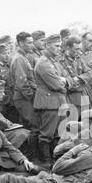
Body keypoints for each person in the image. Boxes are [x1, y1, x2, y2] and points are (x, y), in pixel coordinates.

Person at [33, 34, 70, 169]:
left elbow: (66, 77)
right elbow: (57, 85)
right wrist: (64, 82)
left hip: (58, 102)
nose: (59, 48)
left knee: (57, 133)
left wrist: (64, 81)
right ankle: (45, 161)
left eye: (60, 46)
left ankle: (54, 160)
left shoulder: (54, 62)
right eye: (56, 46)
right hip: (49, 103)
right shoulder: (43, 63)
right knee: (47, 134)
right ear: (47, 46)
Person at [59, 35, 92, 118]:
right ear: (68, 48)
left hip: (84, 96)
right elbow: (64, 81)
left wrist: (77, 79)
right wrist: (81, 80)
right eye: (76, 49)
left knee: (86, 122)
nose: (78, 51)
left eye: (79, 49)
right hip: (70, 98)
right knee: (72, 124)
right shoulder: (60, 61)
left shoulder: (79, 59)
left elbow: (89, 74)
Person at [10, 32, 37, 129]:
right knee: (34, 125)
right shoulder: (19, 59)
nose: (32, 45)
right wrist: (32, 96)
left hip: (26, 98)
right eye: (29, 43)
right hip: (24, 98)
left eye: (32, 42)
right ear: (21, 43)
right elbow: (22, 83)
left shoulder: (24, 57)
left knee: (30, 125)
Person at [0, 44, 19, 123]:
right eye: (4, 53)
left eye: (9, 53)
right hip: (4, 102)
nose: (7, 56)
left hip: (13, 100)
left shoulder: (11, 66)